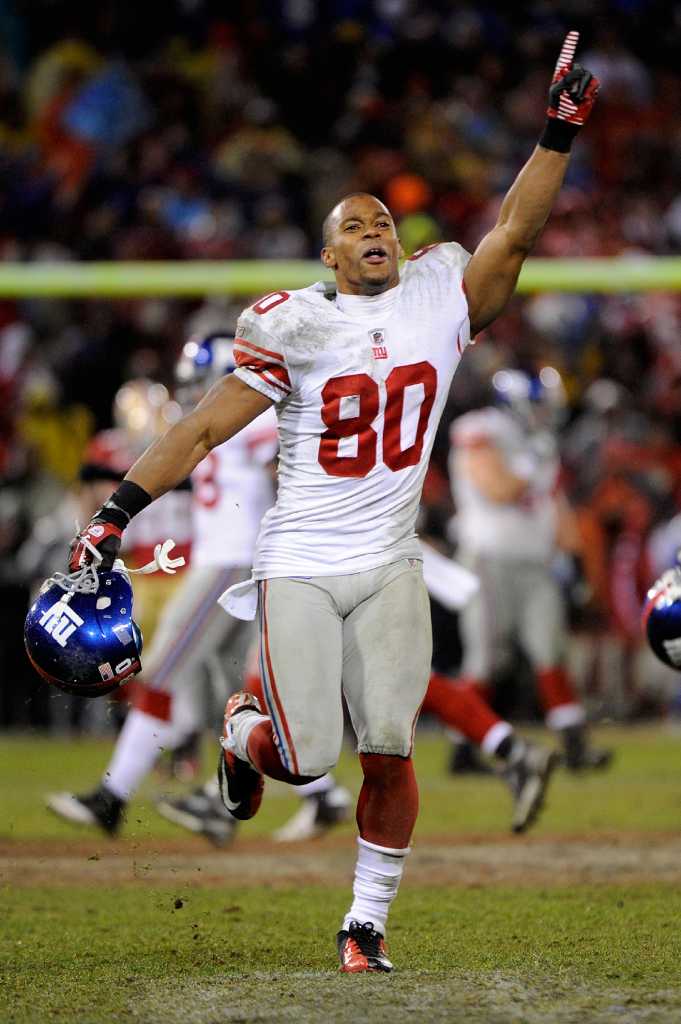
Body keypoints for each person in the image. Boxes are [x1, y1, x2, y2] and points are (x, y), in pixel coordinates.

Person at [67, 34, 599, 973]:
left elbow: (513, 232)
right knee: (307, 756)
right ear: (329, 250)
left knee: (389, 744)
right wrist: (116, 515)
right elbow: (196, 432)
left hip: (390, 555)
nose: (375, 231)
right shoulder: (294, 323)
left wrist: (555, 134)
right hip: (299, 561)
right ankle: (243, 732)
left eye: (384, 219)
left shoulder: (439, 294)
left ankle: (364, 924)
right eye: (355, 224)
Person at [47, 335, 351, 843]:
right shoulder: (220, 423)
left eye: (199, 381)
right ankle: (321, 796)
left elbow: (289, 458)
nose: (192, 392)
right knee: (232, 695)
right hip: (230, 564)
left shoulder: (252, 421)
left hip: (229, 564)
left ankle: (112, 797)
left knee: (161, 672)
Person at [440, 367, 612, 771]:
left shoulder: (538, 443)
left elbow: (555, 502)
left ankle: (575, 747)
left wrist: (575, 558)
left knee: (549, 650)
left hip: (536, 563)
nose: (543, 414)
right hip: (489, 559)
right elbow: (495, 489)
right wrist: (530, 462)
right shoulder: (480, 429)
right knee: (486, 659)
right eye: (537, 406)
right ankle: (462, 750)